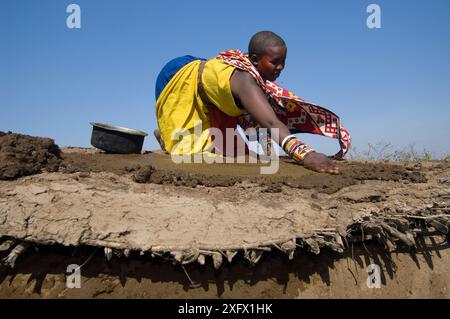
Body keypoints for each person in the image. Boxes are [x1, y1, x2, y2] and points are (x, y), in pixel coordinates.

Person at [154, 31, 351, 174]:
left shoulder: (254, 79)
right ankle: (166, 136)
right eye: (274, 62)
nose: (280, 68)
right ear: (255, 59)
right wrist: (307, 155)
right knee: (192, 156)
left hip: (210, 93)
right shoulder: (245, 81)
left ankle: (170, 136)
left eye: (283, 61)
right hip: (178, 77)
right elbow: (271, 123)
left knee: (237, 153)